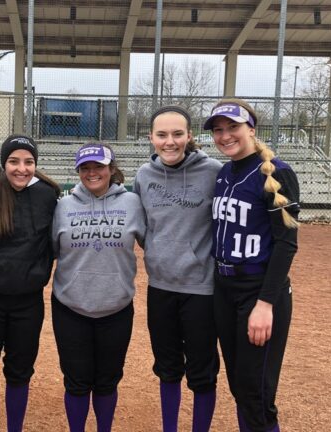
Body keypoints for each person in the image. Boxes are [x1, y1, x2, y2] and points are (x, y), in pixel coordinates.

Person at [203, 99, 300, 432]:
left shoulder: (277, 172)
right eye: (218, 129)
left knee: (257, 392)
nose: (225, 135)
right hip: (224, 289)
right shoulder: (223, 173)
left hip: (257, 291)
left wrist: (265, 304)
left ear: (251, 130)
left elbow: (286, 244)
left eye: (233, 127)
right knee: (240, 388)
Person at [133, 105, 223, 432]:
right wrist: (161, 252)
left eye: (177, 134)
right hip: (160, 287)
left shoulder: (213, 172)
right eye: (162, 135)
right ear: (151, 138)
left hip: (201, 289)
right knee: (168, 368)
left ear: (190, 136)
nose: (169, 141)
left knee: (202, 372)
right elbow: (142, 227)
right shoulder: (144, 176)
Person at [0, 134, 61, 432]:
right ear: (3, 162)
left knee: (19, 373)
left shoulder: (48, 195)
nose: (22, 168)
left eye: (29, 161)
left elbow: (55, 244)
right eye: (14, 161)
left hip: (28, 302)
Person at [51, 143, 145, 432]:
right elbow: (51, 249)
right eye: (85, 168)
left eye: (98, 167)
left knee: (107, 380)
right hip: (71, 306)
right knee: (76, 381)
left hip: (115, 306)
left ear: (111, 169)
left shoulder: (132, 203)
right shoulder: (63, 206)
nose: (92, 173)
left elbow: (154, 241)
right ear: (79, 172)